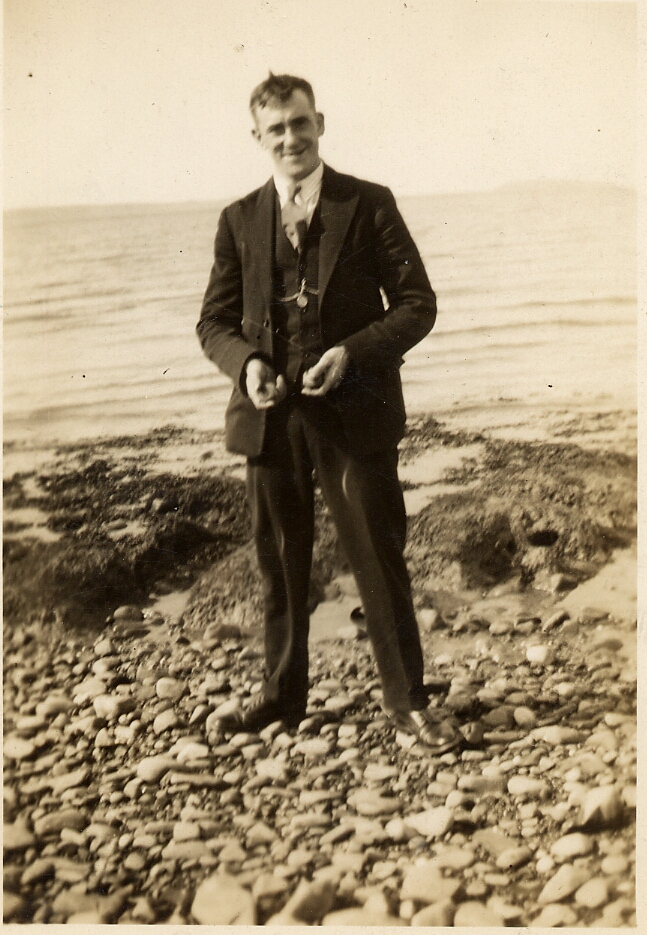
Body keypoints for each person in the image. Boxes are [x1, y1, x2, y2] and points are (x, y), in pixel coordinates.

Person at [197, 73, 461, 752]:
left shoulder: (368, 203)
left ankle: (407, 703)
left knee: (378, 557)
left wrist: (352, 352)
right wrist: (246, 365)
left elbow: (417, 304)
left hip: (356, 414)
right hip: (269, 420)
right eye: (276, 128)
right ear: (257, 137)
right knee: (279, 565)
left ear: (320, 123)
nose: (291, 137)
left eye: (300, 122)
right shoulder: (237, 219)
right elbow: (214, 323)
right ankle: (281, 698)